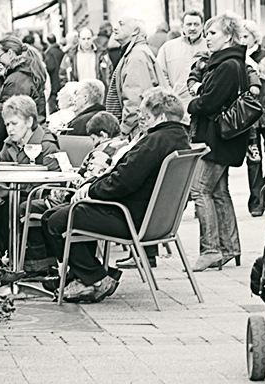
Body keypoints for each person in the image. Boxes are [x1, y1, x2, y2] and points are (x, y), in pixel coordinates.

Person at [40, 87, 191, 301]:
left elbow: (122, 181)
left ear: (162, 116)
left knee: (54, 219)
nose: (141, 120)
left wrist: (90, 190)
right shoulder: (180, 139)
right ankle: (81, 278)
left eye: (146, 116)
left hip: (130, 216)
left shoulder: (153, 142)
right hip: (155, 219)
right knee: (70, 212)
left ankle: (96, 278)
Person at [22, 111, 127, 275]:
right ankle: (82, 272)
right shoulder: (122, 147)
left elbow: (90, 180)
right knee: (48, 213)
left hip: (81, 200)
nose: (92, 144)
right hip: (99, 204)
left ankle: (41, 264)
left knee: (33, 209)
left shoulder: (101, 152)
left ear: (103, 135)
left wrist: (64, 190)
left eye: (93, 139)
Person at [187, 12, 248, 271]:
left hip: (217, 138)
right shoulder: (228, 62)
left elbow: (210, 102)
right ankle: (230, 247)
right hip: (224, 138)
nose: (207, 37)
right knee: (219, 192)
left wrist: (192, 103)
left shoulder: (227, 65)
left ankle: (211, 249)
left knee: (199, 190)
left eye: (212, 33)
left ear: (228, 36)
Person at [0, 95, 61, 256]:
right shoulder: (9, 144)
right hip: (16, 194)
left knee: (7, 206)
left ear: (29, 122)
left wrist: (8, 191)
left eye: (14, 123)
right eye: (7, 124)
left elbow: (53, 183)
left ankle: (25, 259)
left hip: (38, 197)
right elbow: (0, 172)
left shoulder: (46, 144)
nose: (10, 129)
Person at [0, 35, 48, 154]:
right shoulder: (27, 73)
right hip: (29, 140)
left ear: (10, 53)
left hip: (16, 146)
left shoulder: (16, 80)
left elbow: (4, 117)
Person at [240, 19, 265, 216]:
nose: (243, 40)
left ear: (255, 37)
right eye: (240, 37)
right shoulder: (236, 59)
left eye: (246, 36)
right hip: (249, 118)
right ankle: (256, 201)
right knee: (254, 159)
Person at [104, 12, 159, 139]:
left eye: (121, 24)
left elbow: (135, 99)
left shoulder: (136, 56)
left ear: (135, 31)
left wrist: (124, 131)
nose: (115, 28)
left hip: (136, 130)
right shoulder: (135, 52)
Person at [155, 9, 207, 122]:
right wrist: (171, 96)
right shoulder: (167, 48)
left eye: (196, 24)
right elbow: (160, 74)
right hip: (176, 109)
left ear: (202, 26)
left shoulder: (210, 47)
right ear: (182, 26)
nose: (192, 28)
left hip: (204, 107)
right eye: (189, 24)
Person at [59, 27, 109, 99]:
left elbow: (108, 74)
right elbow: (62, 75)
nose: (86, 41)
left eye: (88, 38)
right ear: (79, 39)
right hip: (78, 95)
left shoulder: (102, 54)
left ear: (92, 38)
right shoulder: (70, 56)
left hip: (97, 94)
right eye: (83, 39)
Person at [43, 33, 65, 114]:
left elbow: (50, 67)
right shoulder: (60, 51)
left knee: (53, 109)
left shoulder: (49, 53)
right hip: (61, 82)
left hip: (53, 83)